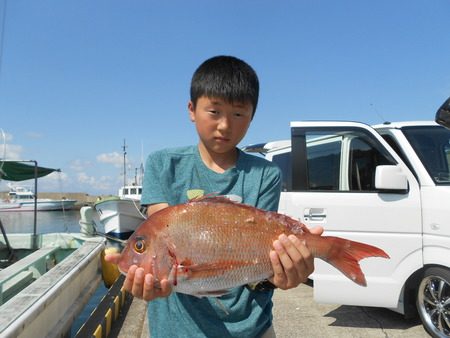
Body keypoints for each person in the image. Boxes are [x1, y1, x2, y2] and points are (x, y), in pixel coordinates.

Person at [106, 55, 323, 337]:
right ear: (192, 109)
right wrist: (152, 279)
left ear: (252, 116)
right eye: (214, 112)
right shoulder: (163, 164)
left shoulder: (265, 174)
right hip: (176, 331)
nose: (225, 125)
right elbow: (159, 228)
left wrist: (283, 273)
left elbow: (264, 257)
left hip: (251, 329)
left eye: (238, 114)